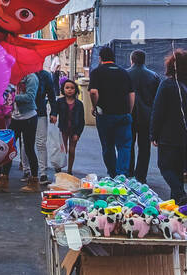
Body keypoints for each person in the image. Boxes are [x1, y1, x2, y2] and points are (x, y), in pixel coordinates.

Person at [150, 49, 187, 206]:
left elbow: (158, 111)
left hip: (168, 135)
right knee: (179, 169)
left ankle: (179, 193)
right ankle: (176, 201)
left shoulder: (166, 85)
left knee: (165, 167)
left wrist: (154, 134)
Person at [0, 71, 40, 192]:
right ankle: (4, 178)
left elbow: (30, 97)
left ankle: (34, 180)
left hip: (28, 117)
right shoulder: (12, 76)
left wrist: (10, 96)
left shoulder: (31, 78)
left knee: (29, 149)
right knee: (8, 147)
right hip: (15, 117)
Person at [88, 46, 134, 177]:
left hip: (105, 115)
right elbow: (132, 94)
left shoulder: (97, 72)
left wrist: (94, 106)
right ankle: (122, 174)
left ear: (100, 58)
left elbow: (93, 92)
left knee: (108, 146)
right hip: (123, 114)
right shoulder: (124, 72)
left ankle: (112, 173)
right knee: (124, 146)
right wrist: (129, 111)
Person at [127, 50, 161, 183]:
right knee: (144, 147)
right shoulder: (153, 76)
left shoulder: (126, 74)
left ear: (132, 60)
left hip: (129, 114)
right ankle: (141, 176)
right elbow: (157, 99)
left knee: (128, 145)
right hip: (147, 116)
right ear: (144, 60)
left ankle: (129, 172)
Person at [53, 79, 86, 175]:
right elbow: (54, 111)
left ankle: (69, 170)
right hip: (63, 129)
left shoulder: (79, 104)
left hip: (74, 130)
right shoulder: (60, 101)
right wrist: (53, 115)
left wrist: (78, 133)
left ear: (76, 90)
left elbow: (81, 121)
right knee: (63, 150)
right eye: (67, 88)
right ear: (63, 89)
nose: (69, 90)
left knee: (72, 150)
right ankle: (59, 166)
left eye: (72, 88)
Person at [34, 67, 59, 185]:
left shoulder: (45, 75)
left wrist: (54, 112)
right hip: (25, 112)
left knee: (40, 142)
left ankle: (42, 173)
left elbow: (51, 95)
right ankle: (27, 170)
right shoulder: (24, 73)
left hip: (40, 112)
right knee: (26, 142)